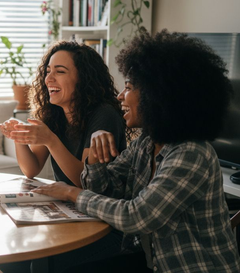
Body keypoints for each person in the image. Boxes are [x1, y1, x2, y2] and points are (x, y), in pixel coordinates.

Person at [33, 30, 240, 272]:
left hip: (192, 268)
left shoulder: (191, 154)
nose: (121, 96)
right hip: (152, 262)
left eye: (129, 87)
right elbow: (106, 188)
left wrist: (71, 193)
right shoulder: (146, 143)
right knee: (46, 264)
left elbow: (137, 216)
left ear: (158, 96)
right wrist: (96, 159)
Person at [0, 41, 127, 273]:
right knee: (10, 254)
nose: (49, 79)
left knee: (41, 262)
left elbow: (86, 182)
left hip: (104, 224)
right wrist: (18, 136)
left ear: (83, 78)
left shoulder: (104, 116)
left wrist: (51, 140)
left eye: (60, 71)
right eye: (48, 72)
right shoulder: (54, 113)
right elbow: (31, 168)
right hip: (72, 211)